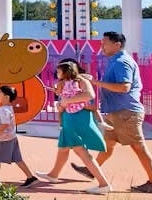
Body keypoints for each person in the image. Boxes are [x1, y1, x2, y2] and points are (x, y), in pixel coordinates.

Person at [73, 32, 152, 193]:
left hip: (126, 112)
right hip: (116, 112)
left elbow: (124, 87)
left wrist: (95, 82)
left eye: (104, 43)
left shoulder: (122, 62)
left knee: (138, 147)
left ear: (117, 45)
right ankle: (92, 169)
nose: (102, 46)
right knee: (107, 145)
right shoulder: (115, 61)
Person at [37, 60, 112, 193]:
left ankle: (103, 184)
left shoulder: (81, 81)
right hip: (69, 117)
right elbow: (62, 96)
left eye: (59, 70)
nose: (57, 73)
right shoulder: (63, 83)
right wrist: (61, 103)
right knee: (64, 148)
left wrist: (66, 101)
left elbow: (90, 95)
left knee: (81, 151)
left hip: (76, 118)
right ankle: (53, 175)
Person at [0, 86, 36, 186]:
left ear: (6, 97)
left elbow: (5, 124)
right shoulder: (8, 108)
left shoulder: (3, 110)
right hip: (11, 137)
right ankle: (30, 177)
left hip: (3, 139)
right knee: (17, 158)